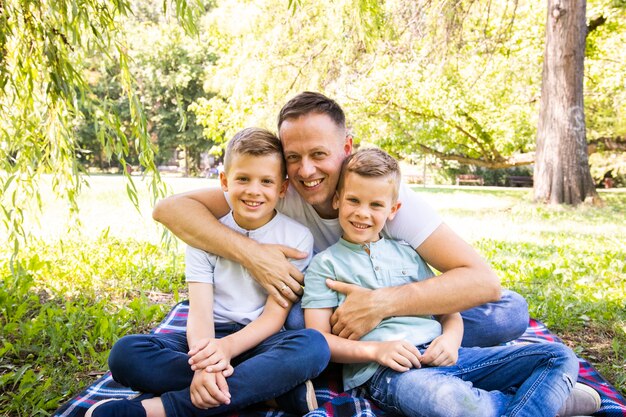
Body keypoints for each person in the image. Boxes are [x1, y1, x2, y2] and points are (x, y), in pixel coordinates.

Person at [153, 91, 529, 348]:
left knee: (509, 313)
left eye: (319, 153)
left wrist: (382, 304)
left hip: (386, 299)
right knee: (299, 324)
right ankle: (373, 351)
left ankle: (392, 343)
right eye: (294, 157)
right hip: (325, 311)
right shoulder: (276, 189)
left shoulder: (378, 197)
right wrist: (252, 254)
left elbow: (483, 280)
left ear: (347, 148)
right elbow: (169, 209)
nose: (306, 170)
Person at [302, 148, 599, 417]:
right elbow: (319, 340)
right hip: (390, 371)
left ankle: (528, 403)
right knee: (453, 401)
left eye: (375, 204)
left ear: (393, 209)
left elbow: (448, 311)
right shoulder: (325, 265)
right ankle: (549, 402)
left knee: (557, 356)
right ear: (338, 199)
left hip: (446, 355)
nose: (362, 213)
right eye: (353, 200)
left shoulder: (407, 253)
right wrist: (376, 351)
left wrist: (451, 339)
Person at [86, 128, 330, 417]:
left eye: (266, 181)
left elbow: (273, 317)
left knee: (313, 346)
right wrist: (206, 363)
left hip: (260, 342)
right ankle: (265, 392)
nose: (254, 190)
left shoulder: (297, 238)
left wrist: (226, 350)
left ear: (282, 188)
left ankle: (164, 409)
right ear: (224, 181)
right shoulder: (206, 233)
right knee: (126, 354)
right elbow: (200, 312)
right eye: (243, 179)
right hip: (206, 338)